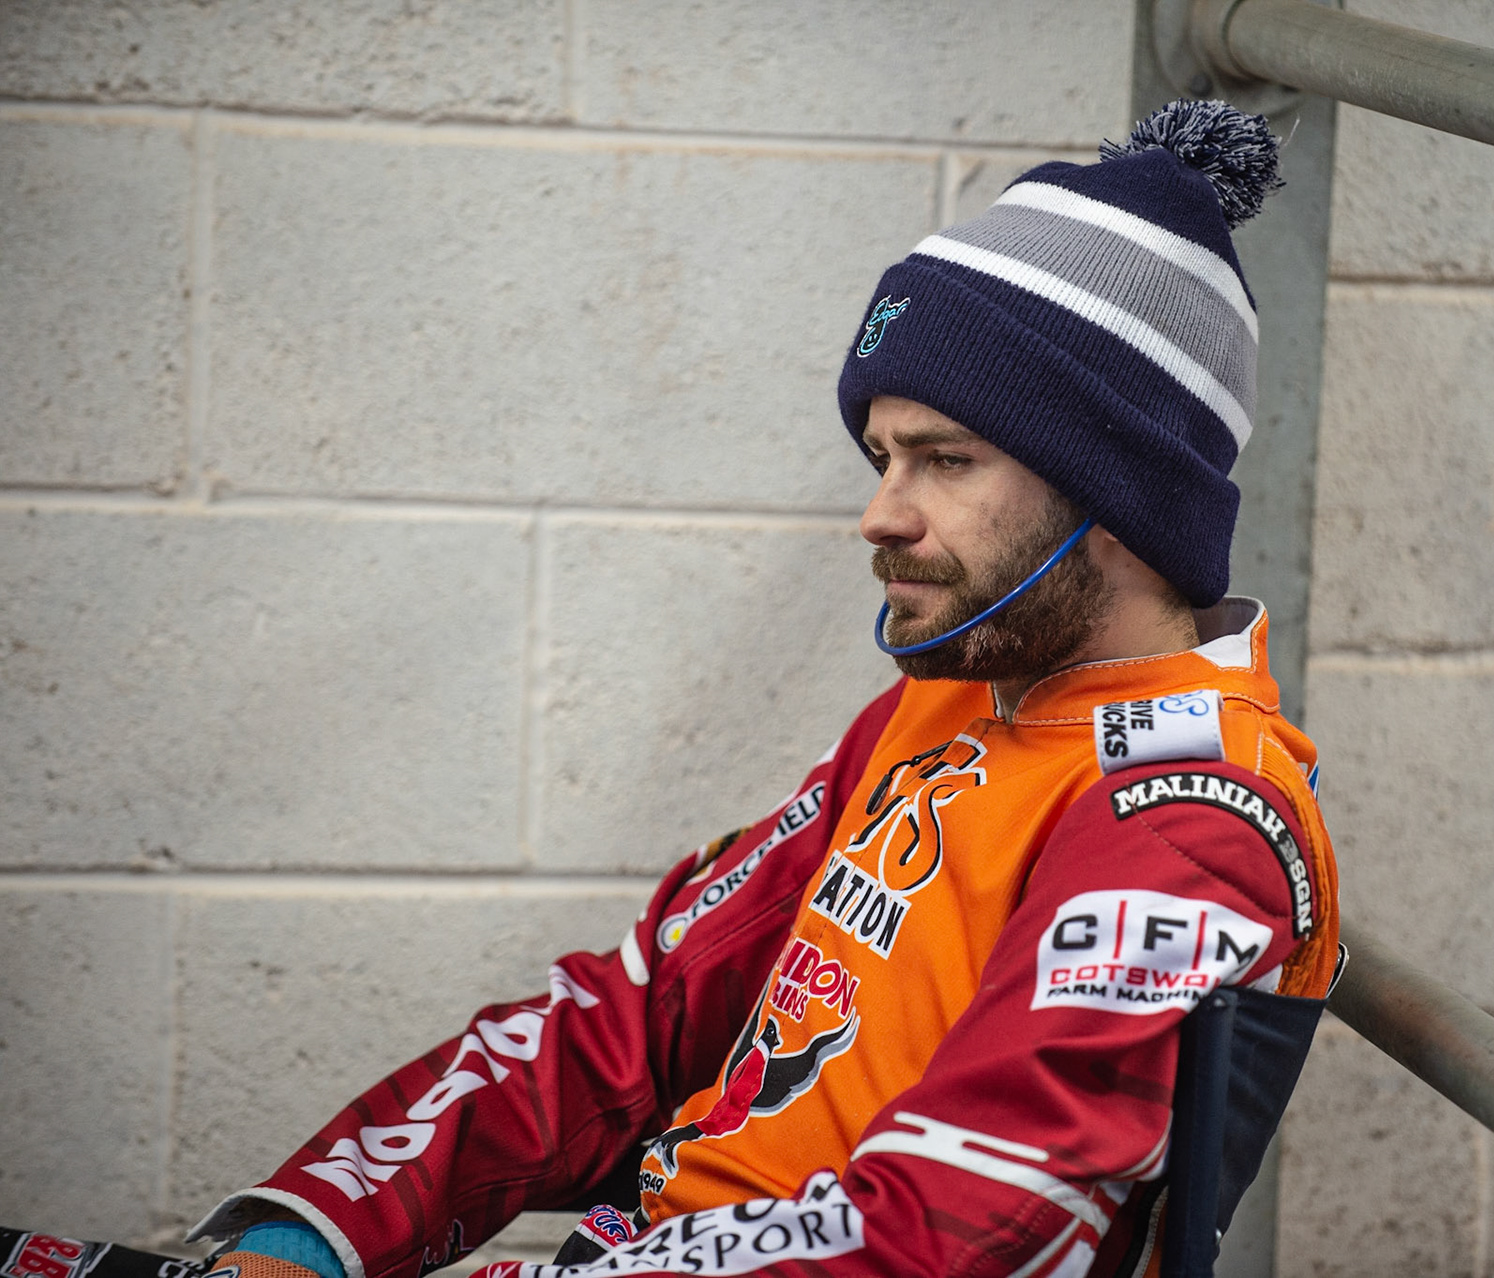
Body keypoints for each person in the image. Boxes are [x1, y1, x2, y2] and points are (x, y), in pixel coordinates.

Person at [177, 99, 1343, 1278]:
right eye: (883, 456)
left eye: (944, 459)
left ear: (1125, 497)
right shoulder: (940, 706)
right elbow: (632, 1019)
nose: (880, 514)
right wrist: (312, 1234)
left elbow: (959, 1229)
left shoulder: (1193, 811)